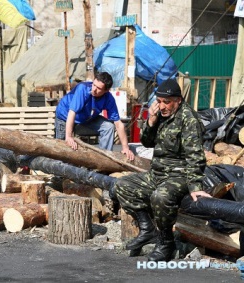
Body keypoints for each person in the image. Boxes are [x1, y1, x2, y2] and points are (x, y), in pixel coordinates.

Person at [114, 78, 212, 262]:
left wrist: (195, 186)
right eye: (159, 101)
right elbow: (146, 142)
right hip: (157, 173)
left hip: (179, 175)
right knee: (122, 185)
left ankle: (166, 242)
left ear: (178, 100)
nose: (162, 106)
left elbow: (195, 156)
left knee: (160, 196)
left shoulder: (188, 119)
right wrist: (150, 121)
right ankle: (147, 229)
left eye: (167, 102)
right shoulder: (159, 114)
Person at [55, 72, 134, 160]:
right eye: (94, 85)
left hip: (86, 118)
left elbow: (118, 124)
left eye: (99, 88)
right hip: (65, 116)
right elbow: (72, 113)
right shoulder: (83, 89)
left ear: (106, 91)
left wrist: (125, 148)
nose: (94, 89)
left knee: (108, 126)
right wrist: (68, 137)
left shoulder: (109, 99)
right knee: (60, 148)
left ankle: (105, 158)